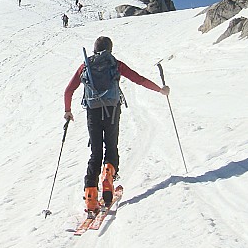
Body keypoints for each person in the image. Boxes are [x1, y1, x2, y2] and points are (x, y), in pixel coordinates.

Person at [63, 36, 169, 214]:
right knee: (111, 146)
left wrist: (67, 110)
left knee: (95, 151)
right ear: (110, 49)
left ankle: (90, 197)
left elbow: (68, 90)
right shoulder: (115, 63)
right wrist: (159, 89)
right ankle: (108, 177)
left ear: (94, 48)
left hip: (92, 111)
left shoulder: (85, 65)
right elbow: (139, 79)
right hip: (112, 110)